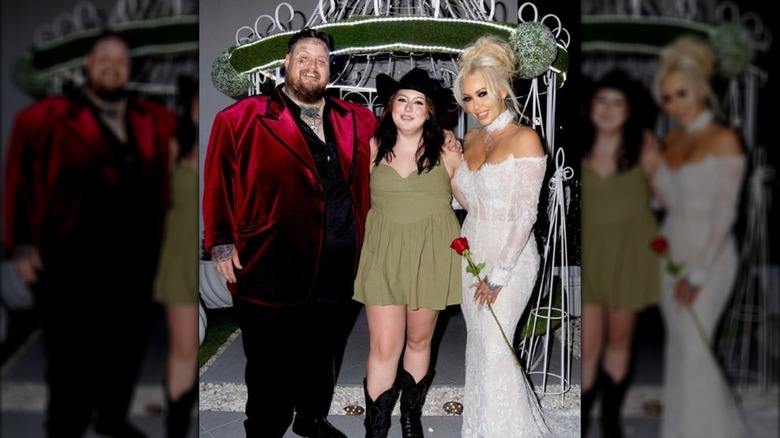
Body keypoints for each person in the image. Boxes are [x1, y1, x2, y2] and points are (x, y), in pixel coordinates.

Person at [202, 27, 379, 438]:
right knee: (268, 360)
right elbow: (217, 182)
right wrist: (221, 243)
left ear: (330, 69)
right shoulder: (240, 118)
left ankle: (311, 418)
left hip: (339, 262)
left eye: (320, 60)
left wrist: (442, 138)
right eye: (303, 57)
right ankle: (264, 427)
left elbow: (403, 139)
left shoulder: (357, 118)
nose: (312, 66)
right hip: (268, 260)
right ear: (286, 63)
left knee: (322, 352)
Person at [3, 30, 177, 438]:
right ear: (86, 66)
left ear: (130, 69)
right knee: (70, 361)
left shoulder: (149, 119)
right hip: (68, 263)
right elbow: (17, 182)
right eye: (103, 57)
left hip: (136, 263)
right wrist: (22, 243)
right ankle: (66, 427)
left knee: (125, 352)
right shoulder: (44, 118)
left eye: (120, 59)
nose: (111, 65)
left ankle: (111, 419)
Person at [352, 67, 462, 437]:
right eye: (402, 100)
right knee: (384, 346)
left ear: (430, 111)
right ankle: (376, 428)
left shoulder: (447, 150)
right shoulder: (370, 147)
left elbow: (474, 202)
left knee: (418, 340)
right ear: (390, 107)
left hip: (430, 254)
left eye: (418, 102)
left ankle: (410, 419)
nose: (410, 108)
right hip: (383, 254)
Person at [650, 35, 750, 438]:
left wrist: (700, 273)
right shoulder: (673, 140)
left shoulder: (725, 138)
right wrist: (652, 166)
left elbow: (726, 211)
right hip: (672, 244)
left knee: (695, 347)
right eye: (668, 97)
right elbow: (667, 200)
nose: (676, 104)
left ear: (702, 90)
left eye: (682, 93)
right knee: (681, 347)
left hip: (709, 251)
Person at [451, 34, 551, 437]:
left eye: (483, 94)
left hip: (511, 259)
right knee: (480, 348)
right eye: (468, 98)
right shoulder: (472, 139)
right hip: (472, 252)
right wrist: (449, 166)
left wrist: (500, 275)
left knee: (495, 347)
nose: (476, 106)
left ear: (502, 89)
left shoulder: (525, 138)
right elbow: (467, 202)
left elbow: (526, 215)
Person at [579, 68, 661, 437]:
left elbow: (666, 197)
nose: (608, 109)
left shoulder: (644, 144)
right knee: (591, 339)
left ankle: (610, 418)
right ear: (591, 106)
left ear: (629, 110)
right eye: (602, 101)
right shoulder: (582, 144)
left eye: (617, 103)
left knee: (619, 338)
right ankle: (584, 415)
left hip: (631, 251)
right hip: (595, 251)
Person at [153, 75, 199, 438]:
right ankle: (177, 421)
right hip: (178, 251)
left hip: (227, 247)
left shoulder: (229, 135)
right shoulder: (174, 146)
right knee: (184, 343)